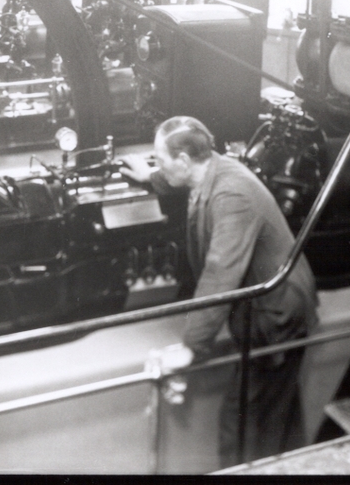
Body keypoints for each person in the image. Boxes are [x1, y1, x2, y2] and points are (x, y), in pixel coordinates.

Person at [121, 115, 319, 466]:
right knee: (277, 413)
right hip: (265, 308)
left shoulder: (232, 195)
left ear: (184, 160)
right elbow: (179, 178)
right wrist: (151, 177)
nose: (159, 165)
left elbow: (219, 273)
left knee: (243, 424)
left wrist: (191, 346)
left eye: (160, 160)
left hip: (277, 314)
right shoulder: (209, 167)